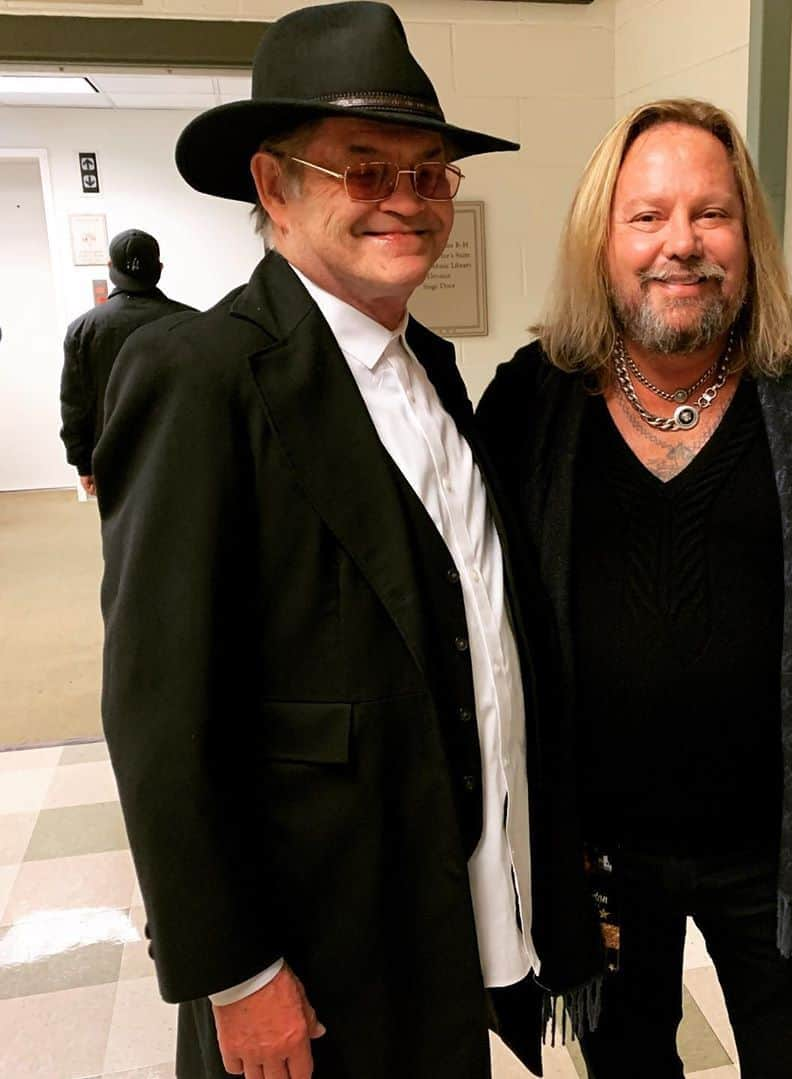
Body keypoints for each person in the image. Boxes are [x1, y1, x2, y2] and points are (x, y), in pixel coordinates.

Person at [93, 5, 600, 1078]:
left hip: (441, 900)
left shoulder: (437, 371)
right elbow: (157, 707)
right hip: (314, 941)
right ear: (274, 187)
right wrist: (233, 970)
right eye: (364, 170)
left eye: (429, 175)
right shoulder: (203, 374)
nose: (406, 201)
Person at [476, 98, 792, 1079]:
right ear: (602, 240)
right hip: (594, 845)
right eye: (648, 215)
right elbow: (473, 611)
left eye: (712, 213)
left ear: (750, 234)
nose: (682, 244)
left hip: (776, 841)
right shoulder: (533, 396)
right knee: (626, 1065)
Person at [59, 229, 193, 495]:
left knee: (122, 532)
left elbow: (75, 404)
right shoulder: (193, 322)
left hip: (112, 453)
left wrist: (82, 462)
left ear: (111, 267)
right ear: (160, 268)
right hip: (178, 451)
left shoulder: (83, 329)